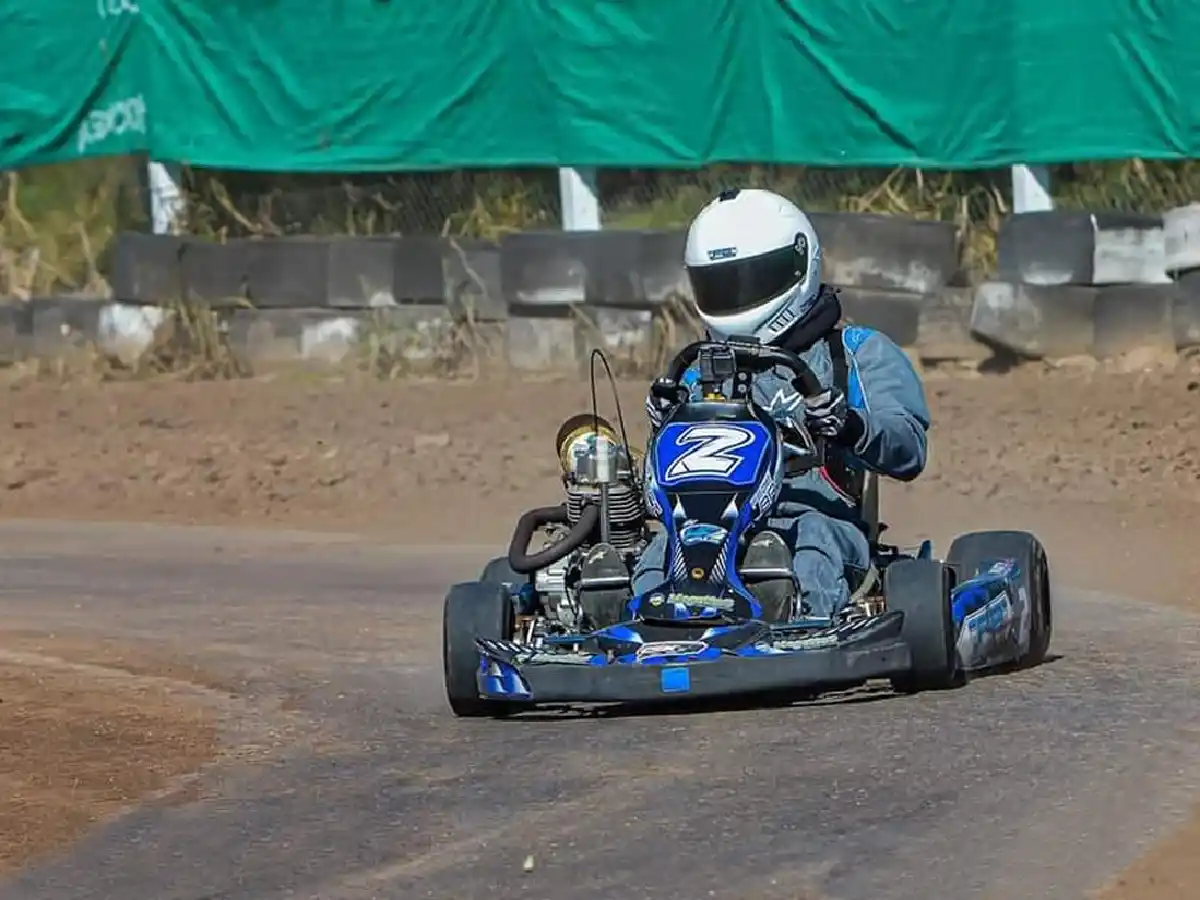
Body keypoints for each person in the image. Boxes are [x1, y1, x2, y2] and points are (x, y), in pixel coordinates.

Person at [632, 187, 931, 619]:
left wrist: (851, 426)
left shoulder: (856, 353)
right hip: (710, 527)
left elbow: (909, 449)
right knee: (658, 551)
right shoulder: (698, 371)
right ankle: (639, 624)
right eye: (722, 285)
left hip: (819, 518)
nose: (736, 297)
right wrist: (666, 424)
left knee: (807, 541)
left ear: (797, 264)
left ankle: (804, 625)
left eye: (749, 281)